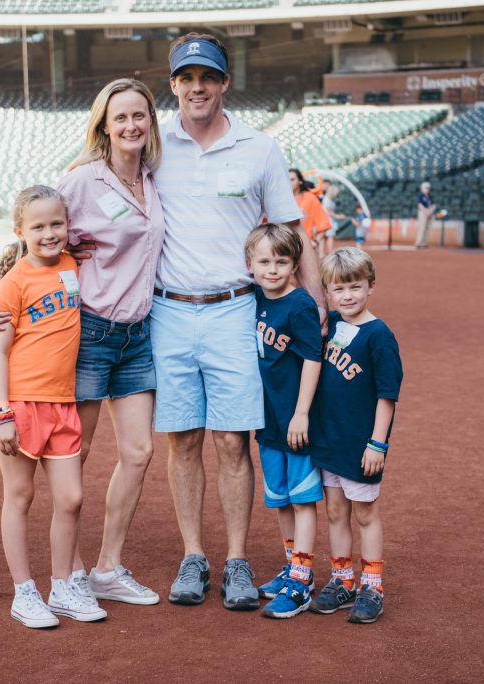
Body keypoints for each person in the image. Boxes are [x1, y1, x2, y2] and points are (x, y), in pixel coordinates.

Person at [152, 32, 324, 610]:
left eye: (207, 77)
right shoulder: (150, 141)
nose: (196, 87)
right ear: (172, 84)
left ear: (225, 82)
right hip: (168, 309)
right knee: (183, 442)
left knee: (232, 441)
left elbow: (292, 230)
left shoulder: (259, 148)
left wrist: (319, 307)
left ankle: (237, 561)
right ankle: (193, 556)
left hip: (234, 309)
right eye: (185, 78)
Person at [0, 78, 166, 606]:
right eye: (120, 117)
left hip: (138, 332)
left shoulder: (154, 178)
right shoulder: (83, 179)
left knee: (139, 451)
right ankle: (72, 575)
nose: (131, 125)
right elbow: (39, 232)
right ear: (103, 126)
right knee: (75, 457)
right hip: (89, 332)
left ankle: (107, 567)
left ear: (151, 121)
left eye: (140, 115)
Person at [0, 185, 107, 629]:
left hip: (63, 404)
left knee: (72, 498)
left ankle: (62, 587)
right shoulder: (11, 284)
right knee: (20, 496)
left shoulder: (72, 264)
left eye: (57, 224)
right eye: (38, 227)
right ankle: (24, 592)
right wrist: (1, 413)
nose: (50, 233)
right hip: (19, 403)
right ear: (20, 230)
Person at [308, 247, 402, 624]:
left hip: (361, 445)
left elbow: (387, 395)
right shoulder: (329, 323)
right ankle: (343, 579)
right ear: (328, 292)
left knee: (365, 513)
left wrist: (378, 443)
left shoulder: (379, 336)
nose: (347, 296)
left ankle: (373, 585)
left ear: (371, 286)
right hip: (329, 440)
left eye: (355, 287)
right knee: (334, 512)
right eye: (338, 289)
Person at [243, 223, 323, 619]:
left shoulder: (301, 305)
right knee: (280, 497)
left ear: (294, 264)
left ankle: (303, 578)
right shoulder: (252, 298)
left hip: (296, 419)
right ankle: (293, 566)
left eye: (282, 261)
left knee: (303, 497)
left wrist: (302, 413)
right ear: (250, 264)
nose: (272, 269)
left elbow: (312, 358)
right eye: (264, 261)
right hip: (269, 420)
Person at [290, 168, 332, 257]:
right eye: (287, 180)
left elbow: (324, 223)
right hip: (282, 246)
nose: (289, 182)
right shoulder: (279, 199)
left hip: (304, 247)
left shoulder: (310, 198)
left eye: (292, 179)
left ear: (300, 181)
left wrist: (316, 241)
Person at [321, 184, 349, 256]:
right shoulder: (327, 200)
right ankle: (330, 253)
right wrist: (338, 216)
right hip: (328, 220)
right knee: (330, 237)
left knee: (323, 237)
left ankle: (322, 253)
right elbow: (328, 212)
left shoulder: (327, 199)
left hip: (325, 220)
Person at [414, 181, 435, 249]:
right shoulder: (421, 196)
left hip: (430, 213)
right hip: (423, 213)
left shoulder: (430, 196)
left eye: (428, 188)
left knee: (428, 228)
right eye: (425, 188)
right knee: (422, 227)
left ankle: (424, 242)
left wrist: (431, 210)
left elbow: (433, 205)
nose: (427, 189)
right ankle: (418, 242)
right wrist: (426, 211)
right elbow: (419, 205)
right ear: (422, 189)